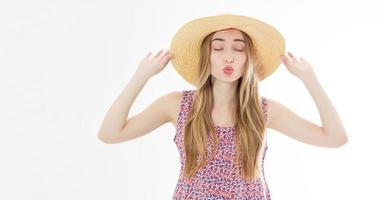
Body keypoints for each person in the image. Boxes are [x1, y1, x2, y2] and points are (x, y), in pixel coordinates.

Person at [97, 13, 349, 199]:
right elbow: (110, 133)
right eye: (218, 48)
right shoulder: (178, 104)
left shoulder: (263, 111)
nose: (228, 56)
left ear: (248, 59)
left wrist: (310, 79)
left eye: (238, 49)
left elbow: (335, 137)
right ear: (206, 56)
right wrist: (142, 75)